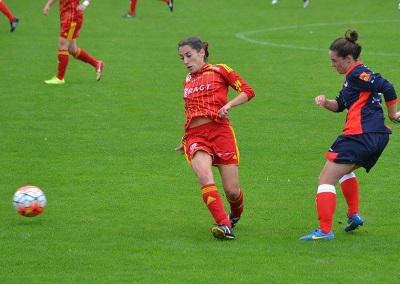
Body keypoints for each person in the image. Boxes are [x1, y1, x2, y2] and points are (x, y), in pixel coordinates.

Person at [300, 30, 400, 241]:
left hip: (360, 135)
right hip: (376, 137)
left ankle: (325, 231)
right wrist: (325, 102)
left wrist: (392, 115)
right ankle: (353, 215)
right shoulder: (352, 78)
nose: (332, 65)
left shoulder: (358, 73)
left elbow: (387, 87)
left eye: (334, 60)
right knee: (342, 172)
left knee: (325, 178)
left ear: (348, 59)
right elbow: (340, 105)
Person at [175, 37, 255, 240]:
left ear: (202, 52)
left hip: (220, 133)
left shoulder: (220, 70)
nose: (185, 61)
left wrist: (228, 105)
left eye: (189, 55)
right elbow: (190, 110)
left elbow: (248, 91)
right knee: (204, 175)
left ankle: (235, 214)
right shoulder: (187, 80)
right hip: (195, 137)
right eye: (182, 57)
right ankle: (224, 225)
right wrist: (186, 137)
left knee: (232, 191)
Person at [43, 0, 104, 84]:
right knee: (72, 49)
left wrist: (84, 4)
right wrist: (48, 5)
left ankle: (60, 78)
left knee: (62, 46)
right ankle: (97, 64)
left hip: (72, 19)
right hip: (66, 18)